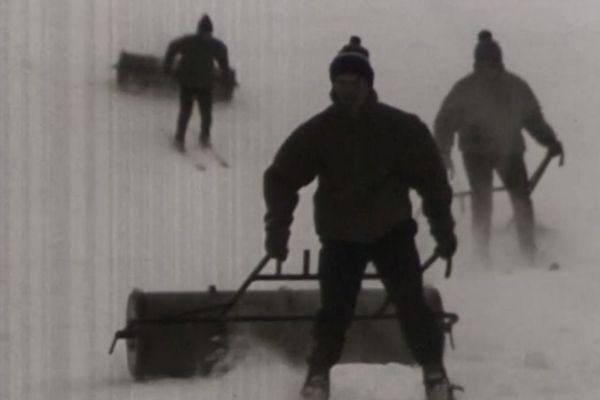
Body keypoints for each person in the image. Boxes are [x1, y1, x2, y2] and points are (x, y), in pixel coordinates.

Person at [263, 45, 458, 400]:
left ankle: (434, 375)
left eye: (354, 81)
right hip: (340, 237)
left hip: (392, 232)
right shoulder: (320, 131)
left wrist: (443, 230)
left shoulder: (400, 127)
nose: (347, 89)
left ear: (368, 84)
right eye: (341, 82)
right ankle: (318, 377)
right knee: (334, 312)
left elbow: (432, 181)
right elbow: (281, 177)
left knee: (412, 305)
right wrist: (278, 228)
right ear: (333, 85)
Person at [434, 30, 564, 263]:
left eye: (491, 63)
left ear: (498, 62)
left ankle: (528, 252)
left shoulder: (515, 87)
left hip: (510, 151)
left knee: (521, 200)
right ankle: (481, 256)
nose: (487, 69)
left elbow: (534, 119)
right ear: (477, 64)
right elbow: (444, 122)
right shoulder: (465, 89)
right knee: (482, 202)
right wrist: (444, 152)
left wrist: (551, 141)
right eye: (483, 64)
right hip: (476, 154)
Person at [163, 14, 230, 152]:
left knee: (207, 113)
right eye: (204, 33)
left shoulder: (215, 46)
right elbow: (172, 47)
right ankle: (179, 138)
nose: (207, 36)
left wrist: (226, 74)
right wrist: (167, 66)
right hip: (187, 83)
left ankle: (204, 136)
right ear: (199, 32)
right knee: (185, 112)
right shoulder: (189, 42)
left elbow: (223, 58)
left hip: (205, 84)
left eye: (209, 33)